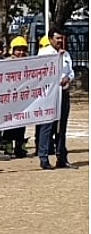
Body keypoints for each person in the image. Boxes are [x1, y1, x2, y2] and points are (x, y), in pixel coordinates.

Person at [37, 28, 75, 170]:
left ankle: (62, 157)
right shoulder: (44, 53)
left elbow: (71, 72)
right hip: (48, 95)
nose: (60, 41)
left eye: (61, 38)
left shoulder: (66, 54)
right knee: (47, 126)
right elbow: (40, 72)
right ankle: (44, 157)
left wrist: (68, 78)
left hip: (63, 93)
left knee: (62, 127)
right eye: (57, 38)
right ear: (50, 39)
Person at [2, 36, 31, 158]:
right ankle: (7, 148)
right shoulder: (6, 63)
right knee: (9, 124)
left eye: (23, 50)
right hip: (8, 99)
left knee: (21, 124)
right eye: (18, 49)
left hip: (22, 99)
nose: (21, 52)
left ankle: (20, 148)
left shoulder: (29, 63)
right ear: (12, 50)